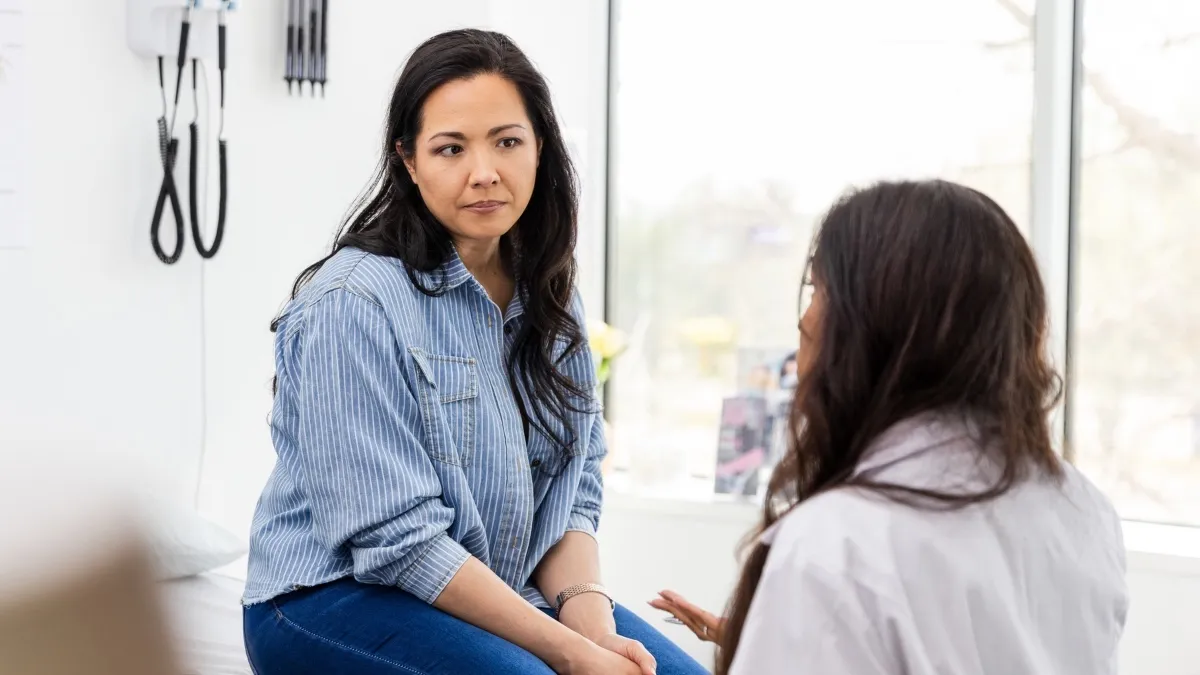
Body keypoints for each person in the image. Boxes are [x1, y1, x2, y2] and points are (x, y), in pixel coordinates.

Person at [241, 29, 707, 675]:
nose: (484, 172)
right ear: (409, 160)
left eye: (507, 141)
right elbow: (396, 542)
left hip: (491, 589)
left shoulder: (549, 293)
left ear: (539, 147)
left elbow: (570, 491)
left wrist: (590, 622)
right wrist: (568, 654)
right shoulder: (351, 303)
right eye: (451, 148)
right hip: (330, 598)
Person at [651, 180, 1128, 675]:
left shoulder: (835, 545)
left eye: (817, 291)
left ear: (868, 326)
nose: (803, 322)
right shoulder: (1084, 511)